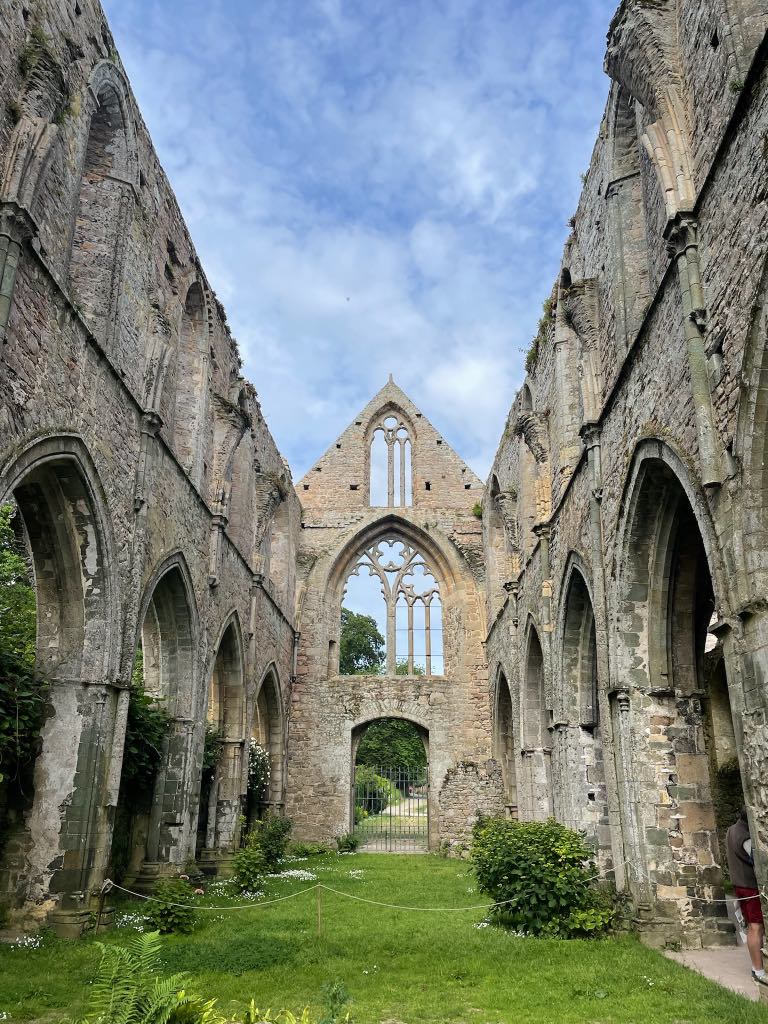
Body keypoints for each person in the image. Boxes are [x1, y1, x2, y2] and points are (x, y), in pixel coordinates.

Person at [726, 807, 766, 984]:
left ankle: (758, 965)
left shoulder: (731, 830)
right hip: (749, 886)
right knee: (755, 927)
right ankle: (758, 970)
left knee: (754, 926)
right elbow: (755, 860)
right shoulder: (744, 835)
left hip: (739, 884)